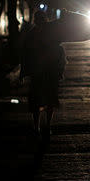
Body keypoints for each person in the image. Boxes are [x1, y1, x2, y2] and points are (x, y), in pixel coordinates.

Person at [20, 10, 66, 138]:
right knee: (47, 99)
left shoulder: (32, 34)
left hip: (41, 72)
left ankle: (39, 126)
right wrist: (60, 69)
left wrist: (23, 72)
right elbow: (60, 52)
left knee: (40, 100)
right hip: (46, 72)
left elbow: (25, 54)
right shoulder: (47, 33)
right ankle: (44, 126)